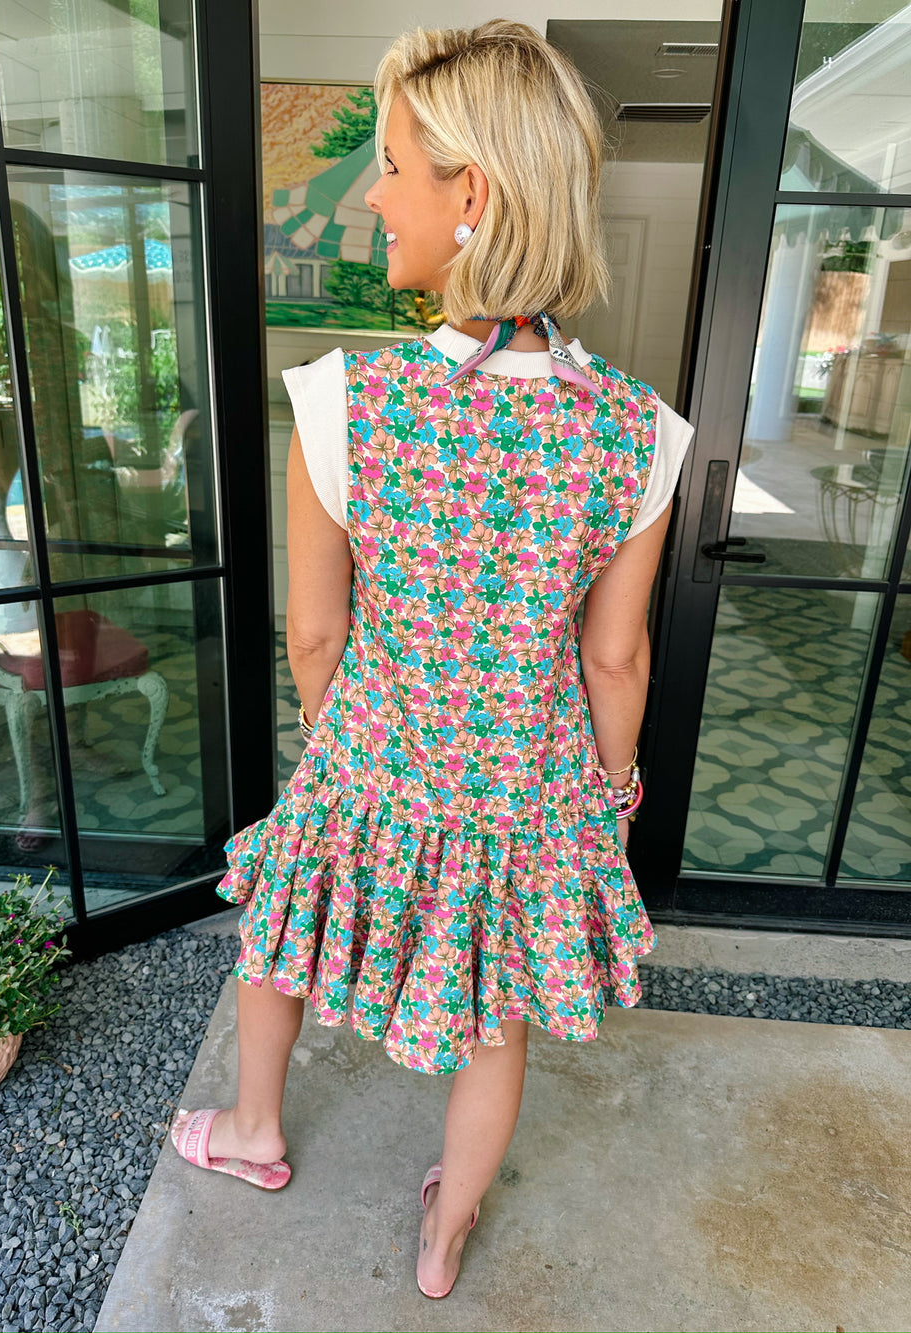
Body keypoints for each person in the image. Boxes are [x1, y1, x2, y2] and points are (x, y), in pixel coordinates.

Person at [171, 18, 694, 1300]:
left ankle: (253, 1127)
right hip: (528, 789)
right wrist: (608, 796)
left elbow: (314, 632)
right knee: (495, 1011)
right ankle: (446, 1232)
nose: (371, 194)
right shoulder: (641, 432)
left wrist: (339, 747)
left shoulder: (344, 401)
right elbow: (614, 657)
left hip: (375, 753)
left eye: (394, 165)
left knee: (280, 932)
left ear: (474, 195)